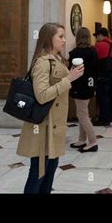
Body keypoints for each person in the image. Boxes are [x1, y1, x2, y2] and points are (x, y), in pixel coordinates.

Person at [17, 23, 84, 194]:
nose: (64, 40)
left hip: (53, 126)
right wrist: (68, 79)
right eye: (60, 36)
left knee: (50, 171)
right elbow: (42, 95)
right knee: (38, 173)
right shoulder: (42, 62)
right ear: (49, 38)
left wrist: (71, 76)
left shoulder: (58, 60)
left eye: (64, 36)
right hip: (43, 126)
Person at [68, 27, 98, 153]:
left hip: (79, 87)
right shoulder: (93, 51)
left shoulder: (75, 53)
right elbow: (96, 70)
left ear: (78, 37)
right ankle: (81, 139)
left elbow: (70, 70)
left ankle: (93, 142)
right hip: (90, 86)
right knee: (83, 113)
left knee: (82, 114)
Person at [92, 27, 112, 127]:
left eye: (97, 36)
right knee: (111, 95)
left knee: (103, 95)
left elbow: (94, 59)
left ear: (101, 35)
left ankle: (104, 119)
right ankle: (111, 116)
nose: (96, 38)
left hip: (103, 74)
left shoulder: (99, 45)